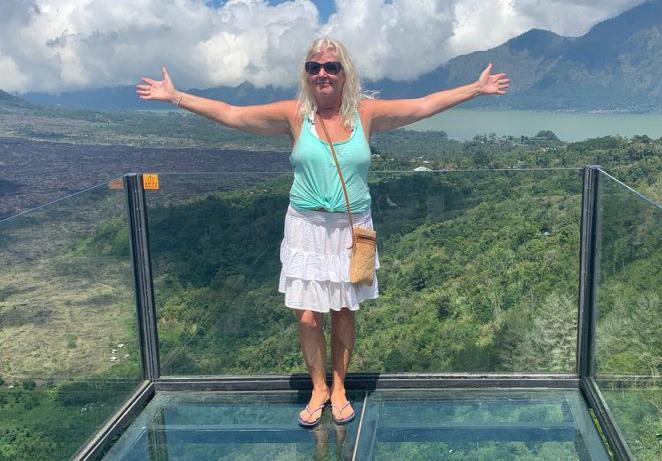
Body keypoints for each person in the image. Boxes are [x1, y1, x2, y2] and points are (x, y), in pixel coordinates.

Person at [136, 37, 509, 427]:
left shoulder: (366, 113)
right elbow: (232, 113)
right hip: (305, 228)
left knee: (345, 311)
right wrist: (177, 96)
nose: (323, 73)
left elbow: (422, 105)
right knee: (308, 317)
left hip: (352, 228)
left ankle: (341, 386)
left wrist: (475, 89)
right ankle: (318, 387)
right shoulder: (294, 115)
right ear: (306, 75)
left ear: (345, 73)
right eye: (314, 67)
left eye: (331, 66)